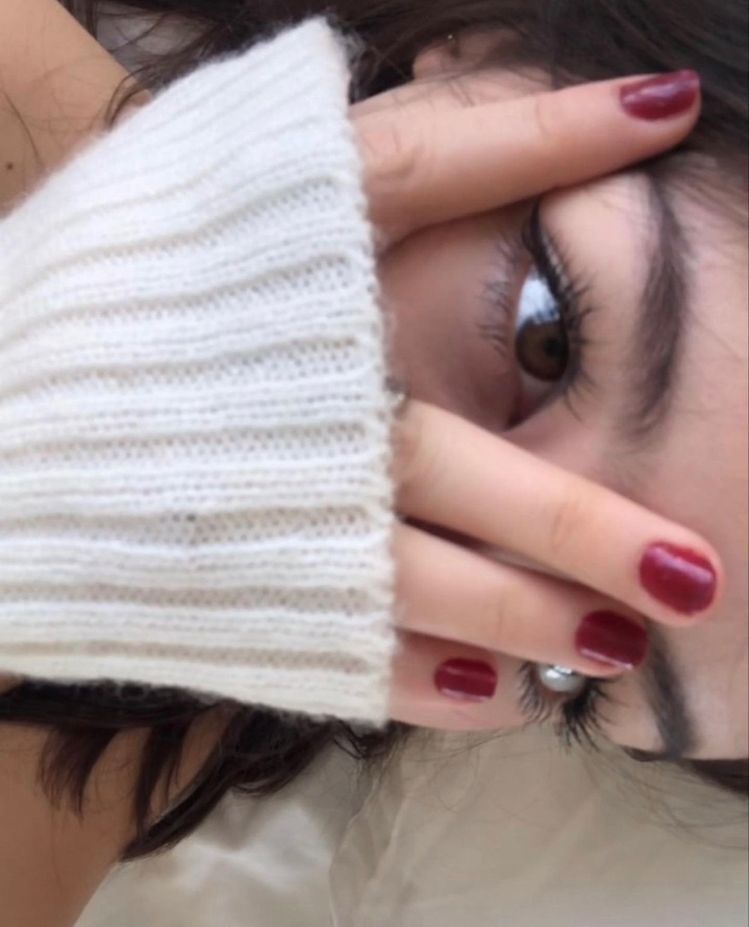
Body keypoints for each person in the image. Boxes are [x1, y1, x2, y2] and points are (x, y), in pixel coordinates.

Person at [0, 1, 745, 924]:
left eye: (568, 662)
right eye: (544, 337)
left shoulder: (105, 742)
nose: (430, 540)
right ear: (488, 47)